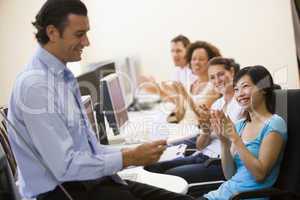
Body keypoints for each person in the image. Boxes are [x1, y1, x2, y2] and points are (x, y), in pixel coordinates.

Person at [7, 1, 194, 200]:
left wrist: (133, 152)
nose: (86, 42)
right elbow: (66, 167)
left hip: (90, 182)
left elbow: (90, 149)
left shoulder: (62, 77)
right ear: (52, 32)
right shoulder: (36, 87)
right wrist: (129, 157)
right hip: (66, 192)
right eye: (79, 34)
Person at [145, 57, 243, 184]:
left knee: (168, 177)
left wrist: (220, 126)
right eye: (212, 77)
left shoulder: (241, 104)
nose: (217, 80)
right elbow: (200, 145)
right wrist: (206, 128)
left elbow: (238, 140)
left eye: (221, 74)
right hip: (201, 157)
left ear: (232, 72)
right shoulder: (217, 104)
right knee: (151, 168)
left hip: (219, 163)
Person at [201, 65, 287, 200]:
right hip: (220, 195)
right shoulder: (240, 125)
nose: (239, 94)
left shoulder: (274, 123)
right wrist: (224, 141)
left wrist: (235, 139)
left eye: (245, 86)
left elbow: (260, 175)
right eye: (236, 89)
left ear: (263, 88)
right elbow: (230, 175)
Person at [139, 35, 197, 99]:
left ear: (188, 52)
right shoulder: (177, 70)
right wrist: (155, 84)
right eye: (172, 51)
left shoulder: (194, 71)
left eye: (178, 51)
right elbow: (171, 91)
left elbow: (183, 98)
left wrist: (155, 87)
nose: (174, 55)